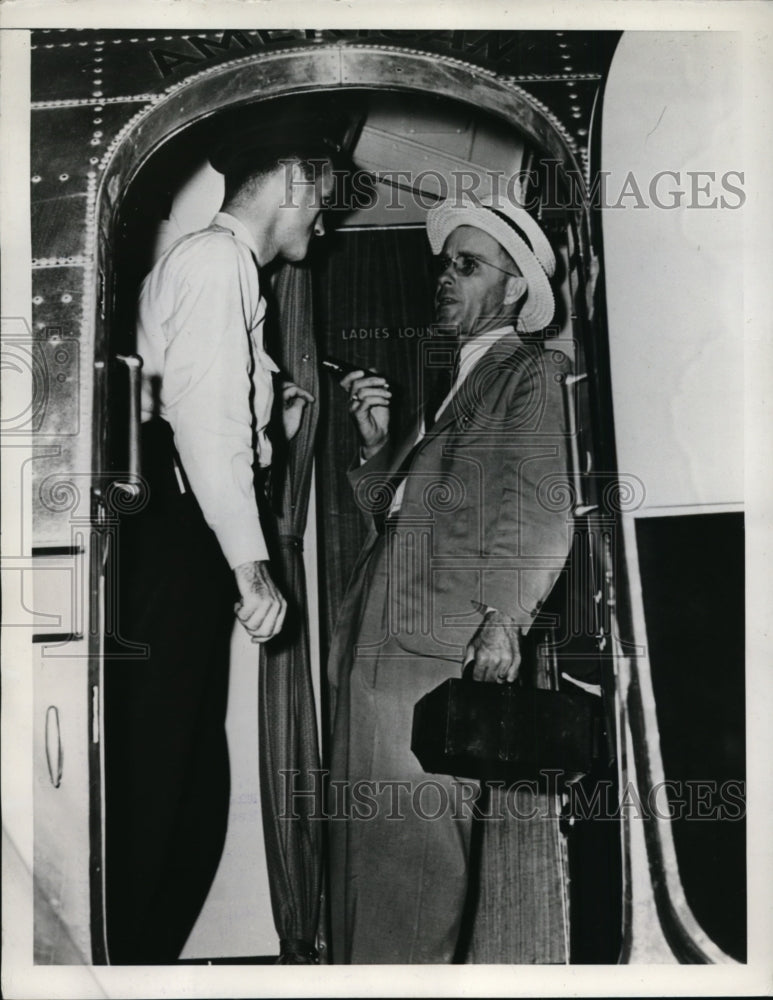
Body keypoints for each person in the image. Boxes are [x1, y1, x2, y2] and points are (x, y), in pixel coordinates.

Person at [104, 122, 341, 963]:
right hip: (182, 535)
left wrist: (270, 418)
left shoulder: (223, 266)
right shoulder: (218, 262)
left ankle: (132, 959)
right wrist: (251, 565)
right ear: (297, 182)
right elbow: (205, 427)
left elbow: (212, 408)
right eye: (326, 192)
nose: (326, 216)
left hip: (179, 534)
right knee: (170, 783)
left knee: (184, 780)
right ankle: (124, 964)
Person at [327, 194, 574, 963]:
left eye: (466, 265)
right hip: (380, 644)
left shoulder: (530, 371)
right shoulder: (461, 382)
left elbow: (537, 501)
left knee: (413, 862)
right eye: (443, 263)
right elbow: (401, 518)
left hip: (429, 650)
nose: (444, 277)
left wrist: (504, 619)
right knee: (366, 856)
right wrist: (376, 451)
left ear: (512, 290)